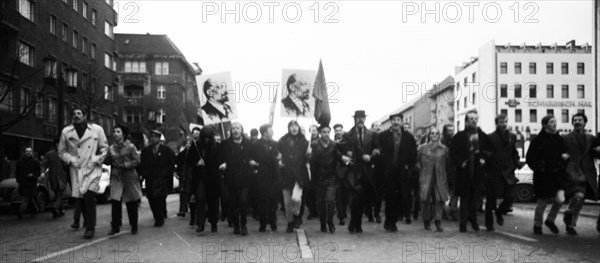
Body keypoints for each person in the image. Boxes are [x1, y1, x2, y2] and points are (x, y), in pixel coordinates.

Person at [59, 108, 108, 239]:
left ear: (85, 116)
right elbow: (62, 151)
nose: (76, 115)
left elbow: (104, 148)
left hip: (92, 168)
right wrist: (71, 159)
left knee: (90, 197)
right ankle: (87, 223)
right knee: (82, 198)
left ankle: (90, 227)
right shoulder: (66, 131)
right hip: (76, 169)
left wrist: (98, 159)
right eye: (74, 113)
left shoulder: (97, 130)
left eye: (79, 113)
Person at [449, 110, 493, 233]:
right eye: (471, 118)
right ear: (467, 121)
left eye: (475, 118)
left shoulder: (483, 136)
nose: (473, 120)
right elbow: (452, 152)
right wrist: (460, 162)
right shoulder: (459, 136)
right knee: (464, 199)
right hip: (464, 172)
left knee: (476, 200)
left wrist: (484, 157)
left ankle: (473, 220)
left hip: (477, 172)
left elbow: (490, 151)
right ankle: (462, 224)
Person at [338, 110, 380, 233]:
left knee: (362, 199)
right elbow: (338, 151)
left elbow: (378, 148)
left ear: (365, 119)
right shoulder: (347, 135)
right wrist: (344, 159)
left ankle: (356, 223)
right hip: (353, 171)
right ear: (355, 119)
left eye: (362, 118)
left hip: (367, 171)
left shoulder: (372, 134)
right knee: (355, 198)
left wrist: (372, 156)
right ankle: (355, 223)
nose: (360, 120)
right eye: (358, 118)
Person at [526, 115, 568, 235]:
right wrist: (541, 168)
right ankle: (537, 224)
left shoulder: (559, 139)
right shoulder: (538, 140)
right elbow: (530, 159)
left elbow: (564, 154)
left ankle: (550, 220)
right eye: (551, 122)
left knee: (560, 199)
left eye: (555, 121)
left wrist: (565, 159)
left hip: (557, 176)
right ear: (545, 125)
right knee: (542, 202)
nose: (555, 124)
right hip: (543, 177)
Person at [377, 113, 417, 232]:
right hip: (388, 171)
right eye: (394, 120)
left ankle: (392, 220)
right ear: (391, 122)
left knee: (401, 196)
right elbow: (380, 152)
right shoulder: (383, 136)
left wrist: (408, 165)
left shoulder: (408, 137)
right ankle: (390, 221)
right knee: (390, 196)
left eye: (398, 120)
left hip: (402, 171)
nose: (396, 122)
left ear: (401, 121)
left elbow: (413, 153)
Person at [561, 113, 599, 235]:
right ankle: (569, 216)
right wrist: (563, 156)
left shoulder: (591, 139)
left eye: (580, 120)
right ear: (572, 123)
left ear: (584, 123)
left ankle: (570, 221)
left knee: (580, 200)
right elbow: (559, 153)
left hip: (588, 173)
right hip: (572, 172)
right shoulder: (565, 138)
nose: (577, 122)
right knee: (579, 197)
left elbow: (596, 154)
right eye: (575, 120)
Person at [485, 114, 521, 231]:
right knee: (491, 199)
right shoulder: (490, 137)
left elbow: (514, 152)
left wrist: (516, 163)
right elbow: (485, 152)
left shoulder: (512, 136)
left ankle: (499, 212)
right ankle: (489, 224)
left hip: (508, 172)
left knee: (510, 196)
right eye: (501, 122)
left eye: (505, 121)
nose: (504, 124)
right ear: (496, 123)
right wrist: (489, 157)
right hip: (494, 171)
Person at [105, 125, 142, 235]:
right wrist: (103, 158)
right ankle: (115, 226)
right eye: (114, 131)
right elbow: (108, 160)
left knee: (131, 202)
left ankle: (134, 225)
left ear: (123, 134)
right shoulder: (111, 148)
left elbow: (137, 160)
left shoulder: (130, 147)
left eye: (118, 131)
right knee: (115, 202)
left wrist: (127, 164)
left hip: (129, 176)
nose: (115, 133)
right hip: (116, 177)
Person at [220, 122, 255, 235]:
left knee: (243, 201)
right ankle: (236, 224)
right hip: (231, 177)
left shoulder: (248, 144)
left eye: (237, 128)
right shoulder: (225, 144)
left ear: (241, 130)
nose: (235, 130)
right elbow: (220, 157)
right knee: (234, 202)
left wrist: (253, 162)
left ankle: (243, 224)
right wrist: (223, 163)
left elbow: (254, 156)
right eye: (233, 128)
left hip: (245, 177)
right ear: (231, 131)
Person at [278, 120, 310, 233]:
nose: (294, 128)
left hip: (299, 175)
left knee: (296, 199)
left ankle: (297, 216)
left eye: (296, 125)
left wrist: (309, 154)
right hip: (286, 175)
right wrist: (279, 161)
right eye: (291, 126)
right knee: (287, 203)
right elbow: (277, 154)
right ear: (288, 128)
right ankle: (290, 222)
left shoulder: (305, 142)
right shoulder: (282, 140)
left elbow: (307, 158)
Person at [140, 130, 175, 227]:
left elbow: (171, 164)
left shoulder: (166, 150)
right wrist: (144, 174)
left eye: (155, 137)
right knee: (151, 199)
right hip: (150, 179)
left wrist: (166, 174)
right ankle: (157, 216)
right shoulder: (146, 151)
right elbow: (142, 164)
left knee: (159, 199)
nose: (153, 139)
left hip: (161, 179)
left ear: (159, 139)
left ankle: (160, 218)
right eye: (151, 137)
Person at [417, 128, 450, 232]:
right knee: (425, 199)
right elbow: (416, 162)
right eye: (432, 133)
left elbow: (448, 163)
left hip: (440, 176)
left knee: (439, 199)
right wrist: (420, 169)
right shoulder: (422, 148)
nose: (434, 135)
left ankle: (438, 221)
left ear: (439, 135)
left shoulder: (444, 149)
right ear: (429, 135)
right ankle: (426, 220)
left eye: (437, 133)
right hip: (426, 176)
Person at [310, 125, 338, 233]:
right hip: (319, 178)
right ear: (320, 133)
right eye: (324, 132)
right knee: (321, 202)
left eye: (328, 132)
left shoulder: (334, 144)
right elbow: (311, 162)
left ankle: (330, 222)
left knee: (330, 200)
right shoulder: (314, 144)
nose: (326, 134)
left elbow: (338, 157)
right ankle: (322, 223)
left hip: (331, 177)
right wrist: (308, 155)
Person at [254, 124, 281, 232]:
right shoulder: (256, 144)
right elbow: (263, 159)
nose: (272, 132)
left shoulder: (276, 144)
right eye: (270, 130)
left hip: (274, 175)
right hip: (262, 175)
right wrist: (275, 158)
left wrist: (277, 158)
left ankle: (273, 222)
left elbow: (277, 157)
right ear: (264, 132)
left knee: (274, 201)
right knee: (262, 201)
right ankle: (263, 223)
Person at [43, 139, 68, 218]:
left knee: (59, 194)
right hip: (56, 177)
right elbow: (44, 165)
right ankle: (55, 207)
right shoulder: (50, 154)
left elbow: (67, 166)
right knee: (59, 194)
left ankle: (60, 210)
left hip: (59, 177)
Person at [16, 146, 41, 219]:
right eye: (27, 151)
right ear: (24, 152)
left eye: (30, 151)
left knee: (27, 197)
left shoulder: (35, 162)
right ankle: (34, 209)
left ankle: (21, 211)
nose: (28, 153)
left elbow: (38, 172)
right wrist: (18, 180)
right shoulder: (20, 162)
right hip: (23, 182)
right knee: (27, 197)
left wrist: (33, 175)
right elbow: (17, 172)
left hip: (31, 182)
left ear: (32, 152)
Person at [441, 124, 458, 221]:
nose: (451, 132)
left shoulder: (455, 142)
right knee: (443, 192)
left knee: (454, 191)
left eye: (452, 130)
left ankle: (453, 210)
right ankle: (444, 211)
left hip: (453, 169)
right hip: (443, 169)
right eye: (449, 130)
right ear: (445, 132)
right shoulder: (441, 143)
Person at [333, 123, 348, 225]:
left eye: (340, 130)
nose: (338, 132)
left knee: (345, 194)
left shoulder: (347, 142)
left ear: (342, 131)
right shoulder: (332, 142)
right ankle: (341, 215)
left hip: (346, 170)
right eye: (336, 130)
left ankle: (343, 211)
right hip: (335, 171)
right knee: (338, 194)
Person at [176, 139, 192, 218]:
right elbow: (177, 164)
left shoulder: (194, 153)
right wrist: (178, 173)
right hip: (183, 176)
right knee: (183, 193)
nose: (188, 145)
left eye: (190, 143)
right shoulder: (181, 154)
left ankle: (190, 209)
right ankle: (182, 210)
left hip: (191, 176)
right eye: (187, 143)